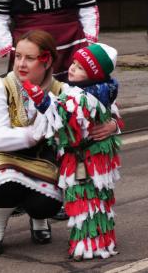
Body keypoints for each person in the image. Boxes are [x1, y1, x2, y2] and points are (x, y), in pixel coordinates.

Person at [0, 30, 119, 256]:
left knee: (49, 204)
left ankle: (39, 221)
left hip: (39, 154)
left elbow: (100, 106)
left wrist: (112, 124)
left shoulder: (63, 89)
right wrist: (39, 132)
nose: (21, 64)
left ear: (46, 61)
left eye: (29, 58)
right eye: (18, 57)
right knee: (4, 187)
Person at [24, 42, 121, 260]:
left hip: (84, 158)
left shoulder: (82, 96)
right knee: (97, 199)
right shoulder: (103, 90)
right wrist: (114, 125)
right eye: (74, 63)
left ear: (93, 74)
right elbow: (112, 115)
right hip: (95, 156)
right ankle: (101, 240)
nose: (72, 68)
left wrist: (39, 98)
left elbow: (61, 117)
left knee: (84, 200)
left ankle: (86, 244)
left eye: (80, 67)